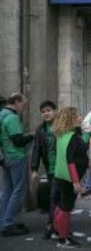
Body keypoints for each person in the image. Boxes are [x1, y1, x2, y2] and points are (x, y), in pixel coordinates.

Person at [53, 107, 88, 248]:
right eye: (78, 115)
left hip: (60, 176)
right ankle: (63, 239)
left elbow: (79, 149)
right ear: (71, 118)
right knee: (66, 208)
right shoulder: (72, 137)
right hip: (69, 178)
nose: (81, 117)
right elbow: (70, 161)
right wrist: (75, 182)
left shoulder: (62, 134)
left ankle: (58, 230)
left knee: (61, 206)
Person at [0, 93, 33, 237]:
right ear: (16, 102)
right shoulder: (12, 118)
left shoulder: (1, 114)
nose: (23, 108)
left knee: (7, 191)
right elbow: (18, 141)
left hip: (5, 158)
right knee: (18, 191)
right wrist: (32, 135)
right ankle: (8, 224)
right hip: (16, 156)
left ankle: (3, 221)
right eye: (23, 105)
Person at [31, 100, 59, 238]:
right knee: (54, 197)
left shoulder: (62, 126)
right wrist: (34, 169)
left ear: (55, 110)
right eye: (43, 112)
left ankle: (57, 225)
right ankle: (52, 225)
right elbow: (36, 149)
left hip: (64, 168)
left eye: (48, 110)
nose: (46, 114)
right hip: (51, 169)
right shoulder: (40, 129)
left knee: (61, 199)